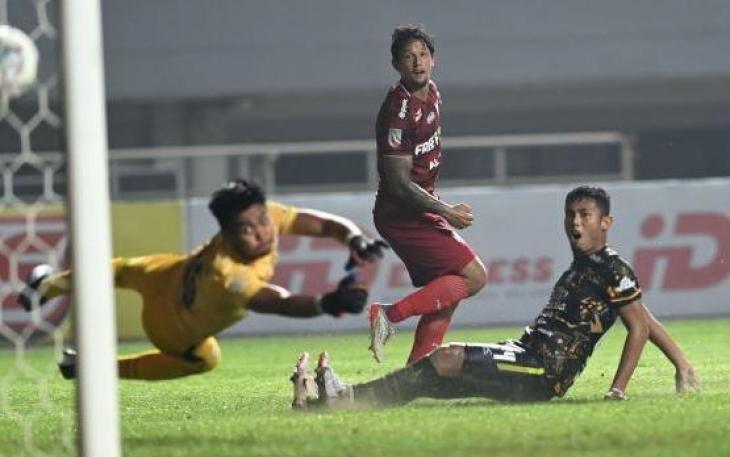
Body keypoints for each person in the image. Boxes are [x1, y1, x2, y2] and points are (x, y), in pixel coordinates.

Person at [291, 186, 700, 409]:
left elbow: (639, 325)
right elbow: (644, 313)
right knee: (434, 378)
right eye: (570, 214)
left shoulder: (611, 266)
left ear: (606, 223)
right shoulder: (585, 268)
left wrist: (618, 390)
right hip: (525, 354)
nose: (575, 222)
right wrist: (681, 364)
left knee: (446, 358)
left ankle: (345, 395)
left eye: (585, 215)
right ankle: (341, 400)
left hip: (543, 371)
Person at [18, 179, 387, 381]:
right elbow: (279, 303)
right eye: (247, 229)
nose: (262, 232)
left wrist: (355, 238)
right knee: (206, 358)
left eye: (262, 220)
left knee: (121, 269)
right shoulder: (227, 275)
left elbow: (322, 224)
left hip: (170, 272)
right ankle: (86, 365)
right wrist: (329, 302)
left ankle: (46, 286)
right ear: (227, 232)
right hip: (173, 327)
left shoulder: (265, 218)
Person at [369, 24, 488, 365]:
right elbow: (398, 183)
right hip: (401, 216)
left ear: (433, 60)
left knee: (447, 290)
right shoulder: (398, 111)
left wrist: (438, 206)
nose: (417, 62)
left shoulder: (433, 92)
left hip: (421, 211)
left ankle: (415, 373)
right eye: (408, 57)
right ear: (396, 65)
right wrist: (447, 212)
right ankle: (388, 316)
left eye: (422, 55)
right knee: (475, 277)